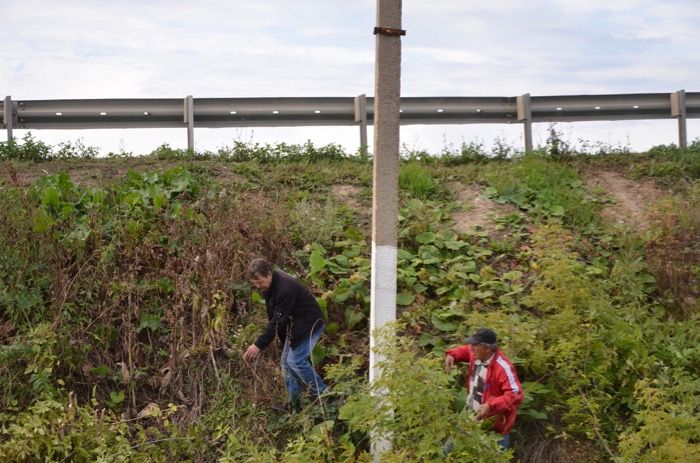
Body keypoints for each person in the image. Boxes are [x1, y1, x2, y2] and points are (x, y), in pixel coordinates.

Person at [243, 257, 327, 412]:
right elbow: (274, 316)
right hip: (295, 326)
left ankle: (324, 397)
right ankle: (294, 405)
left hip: (310, 324)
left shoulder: (284, 289)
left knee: (295, 361)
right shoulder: (268, 287)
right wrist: (283, 341)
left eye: (259, 281)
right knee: (286, 364)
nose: (257, 286)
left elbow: (277, 322)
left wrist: (258, 345)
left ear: (269, 274)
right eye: (254, 283)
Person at [444, 328, 523, 449]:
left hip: (493, 427)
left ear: (488, 348)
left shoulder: (502, 367)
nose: (471, 347)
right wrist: (452, 355)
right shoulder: (476, 353)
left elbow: (515, 395)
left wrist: (490, 405)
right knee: (449, 450)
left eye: (475, 345)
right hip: (469, 415)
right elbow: (464, 350)